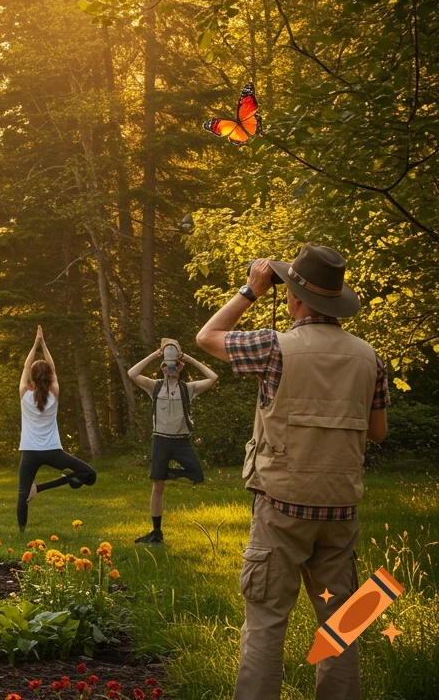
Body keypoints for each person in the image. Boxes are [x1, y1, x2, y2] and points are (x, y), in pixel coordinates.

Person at [196, 245, 389, 700]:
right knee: (343, 626)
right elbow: (378, 432)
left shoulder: (272, 347)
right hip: (341, 512)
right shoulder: (370, 358)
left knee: (265, 623)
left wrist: (251, 289)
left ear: (295, 297)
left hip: (280, 509)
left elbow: (207, 337)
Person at [127, 339, 218, 544]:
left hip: (181, 442)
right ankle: (156, 532)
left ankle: (169, 474)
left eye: (175, 366)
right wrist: (156, 354)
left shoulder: (188, 388)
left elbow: (214, 377)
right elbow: (132, 373)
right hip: (160, 440)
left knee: (197, 475)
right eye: (168, 366)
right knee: (157, 486)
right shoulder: (155, 387)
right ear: (162, 369)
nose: (171, 369)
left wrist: (187, 358)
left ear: (179, 367)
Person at [16, 326, 96, 534]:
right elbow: (53, 367)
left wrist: (35, 344)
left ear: (32, 377)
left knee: (23, 494)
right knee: (89, 474)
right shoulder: (54, 394)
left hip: (30, 453)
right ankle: (42, 488)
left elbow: (26, 367)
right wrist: (44, 344)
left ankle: (22, 531)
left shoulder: (24, 394)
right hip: (52, 451)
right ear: (50, 377)